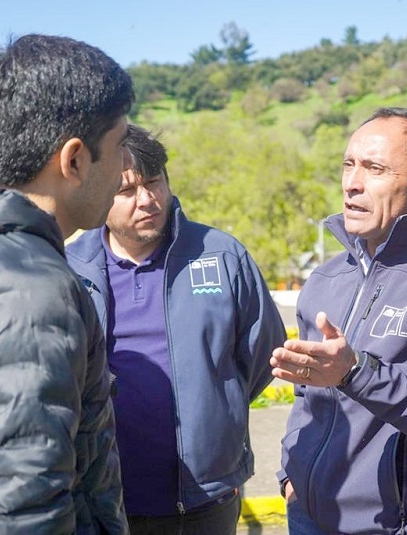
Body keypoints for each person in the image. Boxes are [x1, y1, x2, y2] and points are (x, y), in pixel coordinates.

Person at [0, 34, 133, 533]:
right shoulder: (23, 289)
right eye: (118, 146)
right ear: (73, 160)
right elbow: (18, 511)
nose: (124, 169)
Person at [66, 124, 286, 534]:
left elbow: (263, 356)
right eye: (127, 190)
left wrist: (217, 414)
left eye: (154, 183)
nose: (147, 199)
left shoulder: (221, 256)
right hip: (102, 497)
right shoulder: (69, 268)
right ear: (99, 194)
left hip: (205, 500)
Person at [271, 107, 407, 534]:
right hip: (306, 514)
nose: (352, 183)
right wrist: (291, 474)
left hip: (394, 524)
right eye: (349, 164)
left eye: (374, 168)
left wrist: (356, 372)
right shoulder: (325, 278)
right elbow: (307, 396)